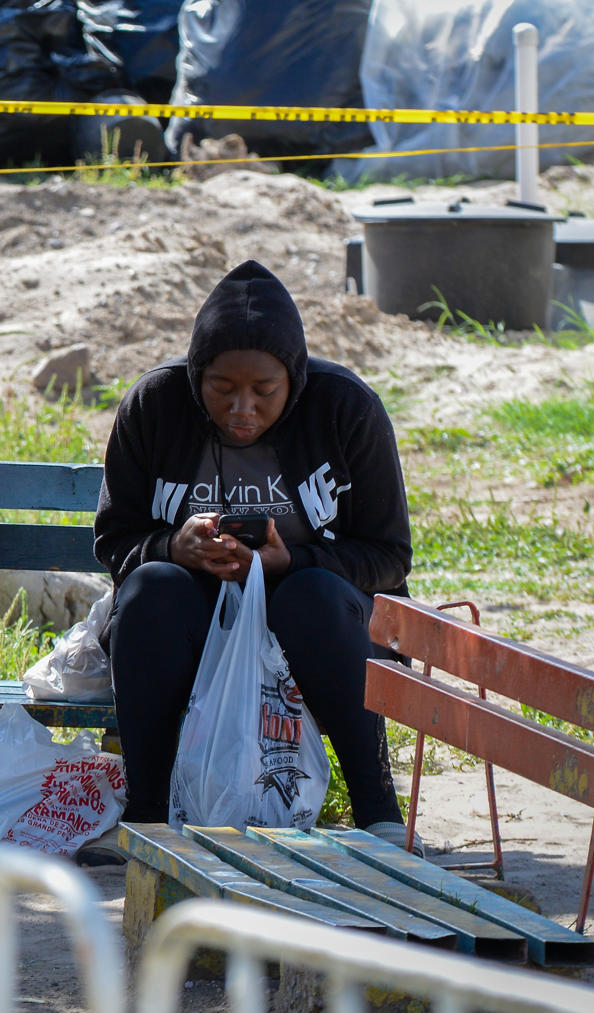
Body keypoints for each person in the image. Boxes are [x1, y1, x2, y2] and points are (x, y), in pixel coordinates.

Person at [93, 259, 412, 843]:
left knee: (313, 594)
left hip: (316, 624)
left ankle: (378, 811)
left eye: (264, 391)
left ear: (293, 380)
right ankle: (147, 813)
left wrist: (292, 562)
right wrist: (173, 546)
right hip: (191, 621)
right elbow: (114, 538)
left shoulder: (346, 408)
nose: (243, 409)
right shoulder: (154, 405)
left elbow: (390, 556)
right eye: (222, 389)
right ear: (196, 378)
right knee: (149, 591)